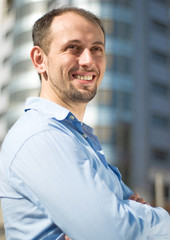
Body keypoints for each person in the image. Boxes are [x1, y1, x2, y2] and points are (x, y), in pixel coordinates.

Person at [0, 7, 169, 240]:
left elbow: (115, 226)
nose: (88, 61)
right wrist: (147, 215)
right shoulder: (41, 135)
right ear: (40, 60)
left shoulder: (78, 138)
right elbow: (112, 233)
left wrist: (125, 213)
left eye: (97, 49)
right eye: (73, 48)